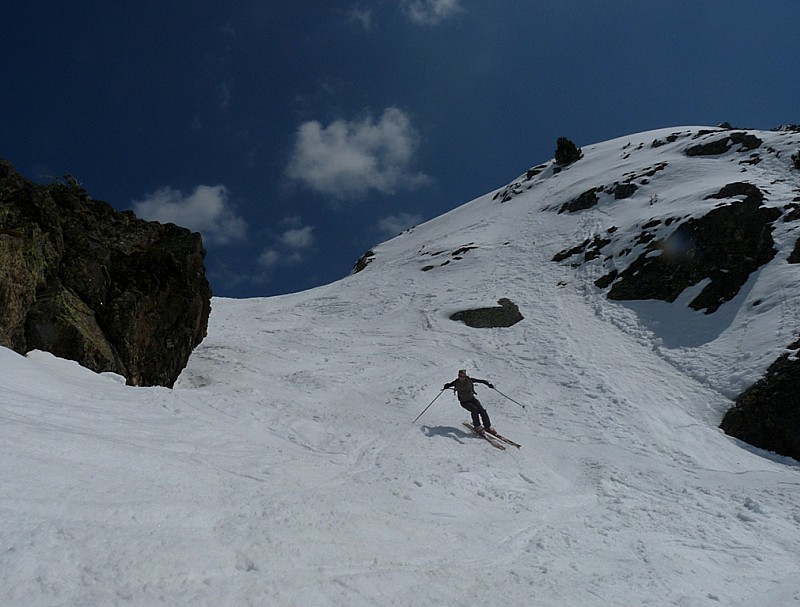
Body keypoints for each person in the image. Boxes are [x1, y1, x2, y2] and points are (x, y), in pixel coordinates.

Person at [443, 369, 497, 434]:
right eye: (460, 376)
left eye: (463, 376)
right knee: (474, 409)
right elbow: (449, 384)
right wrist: (446, 386)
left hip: (472, 399)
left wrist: (488, 384)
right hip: (464, 402)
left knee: (482, 410)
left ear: (465, 376)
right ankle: (477, 426)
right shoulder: (456, 382)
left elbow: (481, 381)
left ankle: (487, 427)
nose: (461, 378)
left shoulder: (470, 380)